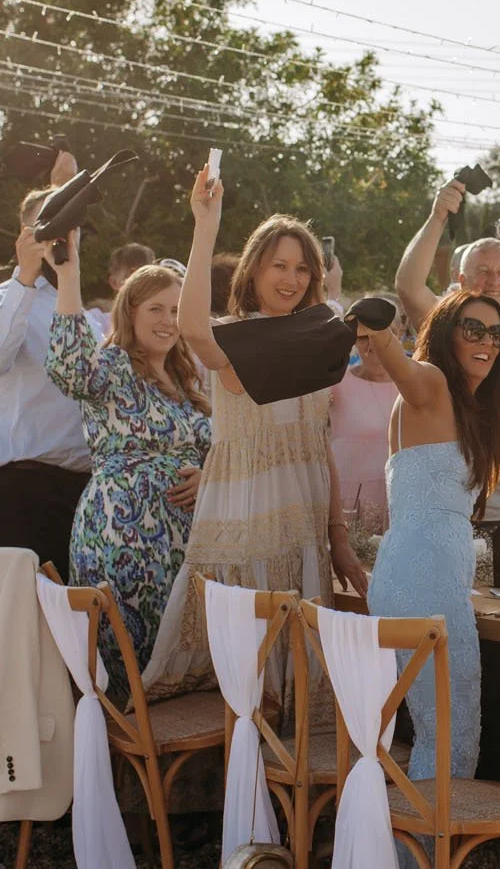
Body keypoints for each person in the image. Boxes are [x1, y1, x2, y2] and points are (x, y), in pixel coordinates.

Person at [161, 177, 366, 693]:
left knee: (294, 696)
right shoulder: (235, 333)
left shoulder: (321, 338)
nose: (291, 278)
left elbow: (319, 446)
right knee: (242, 690)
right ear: (253, 270)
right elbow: (191, 331)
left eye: (302, 268)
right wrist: (205, 225)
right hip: (246, 527)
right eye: (279, 265)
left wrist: (338, 539)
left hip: (304, 532)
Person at [357, 287, 500, 869]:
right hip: (420, 576)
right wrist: (376, 324)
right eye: (472, 327)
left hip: (427, 573)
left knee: (445, 735)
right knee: (447, 737)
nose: (486, 338)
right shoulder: (428, 387)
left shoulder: (472, 408)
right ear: (447, 331)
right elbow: (396, 355)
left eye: (497, 331)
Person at [398, 179, 500, 782]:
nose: (493, 280)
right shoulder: (448, 329)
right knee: (448, 660)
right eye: (480, 271)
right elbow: (407, 285)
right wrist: (437, 215)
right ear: (459, 281)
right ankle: (435, 780)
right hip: (452, 518)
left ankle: (495, 784)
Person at [44, 236, 210, 684]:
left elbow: (216, 447)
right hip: (125, 539)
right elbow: (68, 369)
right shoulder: (113, 364)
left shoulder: (186, 377)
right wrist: (68, 275)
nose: (168, 321)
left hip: (187, 543)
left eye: (176, 311)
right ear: (130, 311)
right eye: (156, 308)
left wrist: (209, 475)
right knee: (132, 668)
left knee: (184, 665)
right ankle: (126, 752)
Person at [0, 198, 98, 574]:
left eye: (72, 230)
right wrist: (25, 277)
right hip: (23, 490)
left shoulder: (85, 315)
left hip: (84, 490)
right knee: (29, 622)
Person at [330, 298, 402, 530]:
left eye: (380, 334)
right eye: (362, 337)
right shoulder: (336, 383)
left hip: (397, 502)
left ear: (398, 333)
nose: (372, 345)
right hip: (346, 505)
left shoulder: (415, 384)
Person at [87, 241, 156, 337]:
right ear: (114, 283)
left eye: (146, 280)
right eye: (129, 278)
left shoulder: (159, 325)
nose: (138, 286)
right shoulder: (95, 320)